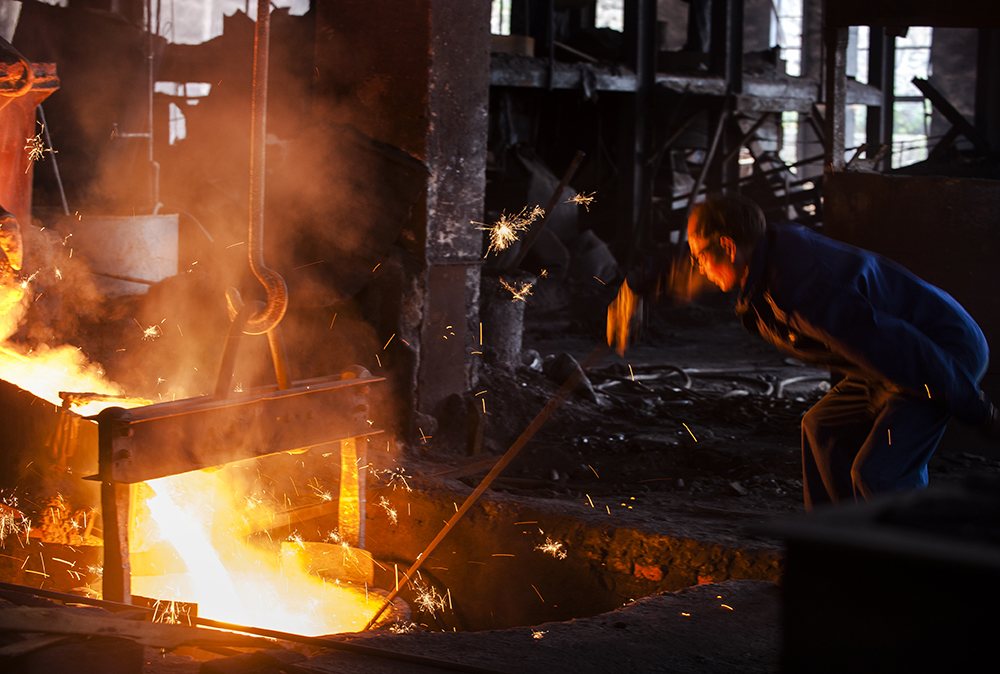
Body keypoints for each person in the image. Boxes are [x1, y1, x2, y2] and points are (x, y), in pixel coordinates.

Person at [686, 194, 998, 509]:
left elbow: (902, 347)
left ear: (727, 246)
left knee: (879, 473)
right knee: (822, 427)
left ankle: (911, 550)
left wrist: (979, 410)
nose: (698, 268)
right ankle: (834, 541)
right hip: (886, 362)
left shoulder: (805, 290)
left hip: (940, 352)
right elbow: (879, 349)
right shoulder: (770, 261)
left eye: (698, 257)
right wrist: (649, 283)